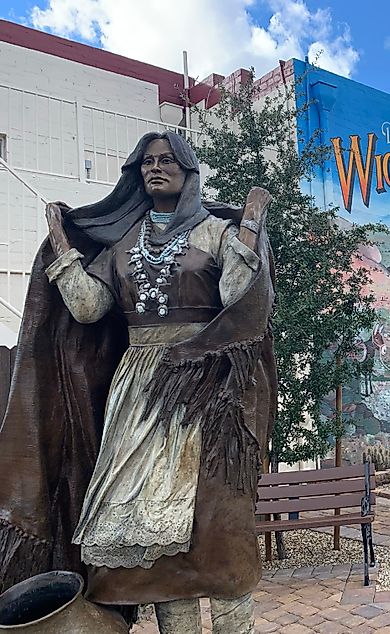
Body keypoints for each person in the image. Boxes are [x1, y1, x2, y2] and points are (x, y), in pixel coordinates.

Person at [0, 131, 277, 634]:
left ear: (188, 171)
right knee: (155, 539)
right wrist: (62, 243)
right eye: (147, 161)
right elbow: (87, 307)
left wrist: (252, 226)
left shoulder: (216, 233)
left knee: (220, 525)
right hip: (139, 401)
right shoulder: (125, 245)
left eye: (167, 160)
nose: (156, 167)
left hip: (206, 389)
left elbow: (238, 293)